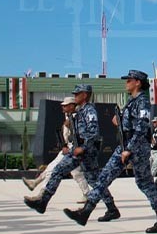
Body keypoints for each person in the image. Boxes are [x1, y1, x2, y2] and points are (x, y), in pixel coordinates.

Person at [64, 70, 157, 233]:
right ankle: (86, 212)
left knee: (142, 182)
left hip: (135, 146)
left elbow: (142, 128)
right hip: (126, 144)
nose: (126, 82)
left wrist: (128, 149)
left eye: (129, 80)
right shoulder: (131, 101)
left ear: (138, 83)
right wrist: (119, 120)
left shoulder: (142, 102)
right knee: (109, 177)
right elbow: (129, 123)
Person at [24, 84, 119, 220]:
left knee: (58, 170)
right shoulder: (80, 111)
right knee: (94, 180)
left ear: (85, 95)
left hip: (85, 151)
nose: (75, 96)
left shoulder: (89, 110)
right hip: (81, 150)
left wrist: (83, 148)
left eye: (77, 94)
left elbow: (93, 132)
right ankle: (112, 209)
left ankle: (43, 201)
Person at [23, 97, 90, 203]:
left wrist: (72, 125)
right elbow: (65, 134)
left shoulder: (78, 116)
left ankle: (41, 194)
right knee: (74, 172)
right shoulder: (68, 116)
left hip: (74, 149)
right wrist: (64, 145)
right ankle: (87, 194)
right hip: (68, 148)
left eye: (65, 105)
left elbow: (82, 133)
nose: (62, 107)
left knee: (54, 170)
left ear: (72, 106)